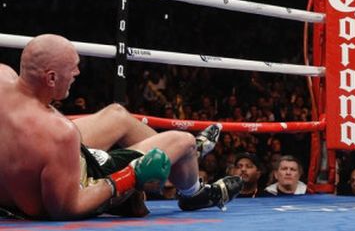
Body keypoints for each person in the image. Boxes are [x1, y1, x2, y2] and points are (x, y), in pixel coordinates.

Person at [0, 34, 241, 220]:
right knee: (184, 141)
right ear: (51, 78)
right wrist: (130, 176)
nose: (77, 72)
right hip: (79, 187)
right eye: (72, 68)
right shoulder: (60, 134)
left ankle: (189, 159)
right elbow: (65, 208)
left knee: (117, 114)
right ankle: (193, 191)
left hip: (37, 167)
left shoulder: (3, 76)